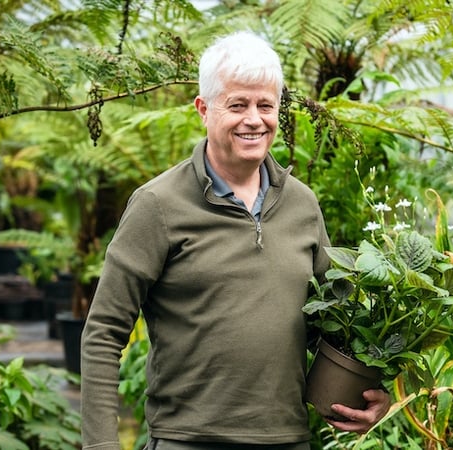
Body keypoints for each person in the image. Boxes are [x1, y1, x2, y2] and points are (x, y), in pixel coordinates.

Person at [80, 31, 390, 450]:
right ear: (204, 110)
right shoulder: (158, 205)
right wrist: (101, 445)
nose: (254, 119)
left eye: (266, 105)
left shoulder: (302, 204)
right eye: (238, 105)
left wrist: (369, 391)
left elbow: (333, 323)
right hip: (187, 440)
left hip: (287, 440)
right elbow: (103, 331)